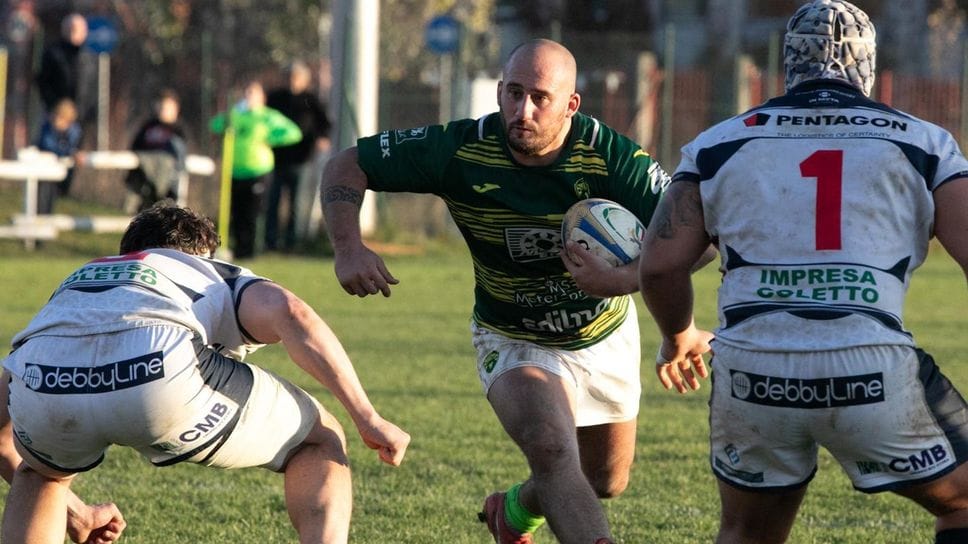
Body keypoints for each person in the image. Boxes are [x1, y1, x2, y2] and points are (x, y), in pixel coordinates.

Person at [321, 38, 682, 544]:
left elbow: (690, 238)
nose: (523, 110)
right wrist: (348, 247)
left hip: (602, 333)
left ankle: (512, 510)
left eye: (540, 98)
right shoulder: (460, 148)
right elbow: (345, 164)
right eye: (513, 93)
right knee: (554, 451)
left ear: (571, 105)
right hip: (512, 335)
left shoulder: (610, 157)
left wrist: (622, 279)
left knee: (605, 481)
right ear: (498, 91)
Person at [637, 2, 968, 543]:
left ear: (788, 63)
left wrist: (678, 338)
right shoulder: (925, 143)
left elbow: (660, 266)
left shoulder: (718, 143)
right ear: (867, 66)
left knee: (747, 532)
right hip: (870, 368)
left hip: (751, 372)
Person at [1, 203, 410, 544]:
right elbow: (292, 313)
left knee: (40, 474)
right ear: (203, 254)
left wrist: (76, 512)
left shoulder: (79, 281)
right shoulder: (202, 270)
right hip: (158, 374)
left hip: (44, 378)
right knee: (321, 439)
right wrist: (367, 416)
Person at [210, 80, 302, 259]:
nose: (249, 96)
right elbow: (214, 125)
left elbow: (294, 132)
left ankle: (252, 250)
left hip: (258, 170)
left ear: (262, 97)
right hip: (235, 171)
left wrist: (272, 138)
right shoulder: (236, 115)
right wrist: (227, 117)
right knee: (237, 212)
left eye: (253, 93)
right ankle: (238, 249)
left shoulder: (268, 116)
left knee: (253, 212)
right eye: (247, 92)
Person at [265, 61, 332, 252]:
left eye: (296, 78)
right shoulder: (275, 99)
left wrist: (322, 138)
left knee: (296, 203)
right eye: (289, 77)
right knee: (273, 201)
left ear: (305, 80)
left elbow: (325, 124)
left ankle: (292, 243)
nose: (292, 82)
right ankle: (270, 242)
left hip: (301, 159)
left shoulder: (311, 99)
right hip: (276, 159)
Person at [124, 89, 189, 213]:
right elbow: (135, 147)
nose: (164, 110)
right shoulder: (148, 126)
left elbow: (180, 156)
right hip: (145, 182)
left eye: (168, 107)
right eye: (162, 106)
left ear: (176, 109)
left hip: (167, 185)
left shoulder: (178, 130)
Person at [35, 12, 96, 130]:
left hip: (81, 115)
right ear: (64, 30)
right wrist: (54, 106)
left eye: (80, 29)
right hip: (56, 115)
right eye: (72, 29)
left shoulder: (89, 57)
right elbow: (42, 82)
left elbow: (92, 86)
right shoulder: (53, 54)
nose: (76, 33)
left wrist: (88, 110)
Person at [34, 97, 85, 213]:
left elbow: (74, 145)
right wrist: (69, 152)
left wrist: (73, 152)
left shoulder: (74, 130)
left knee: (52, 196)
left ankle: (46, 216)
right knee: (42, 195)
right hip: (44, 167)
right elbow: (48, 145)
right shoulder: (47, 127)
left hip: (61, 170)